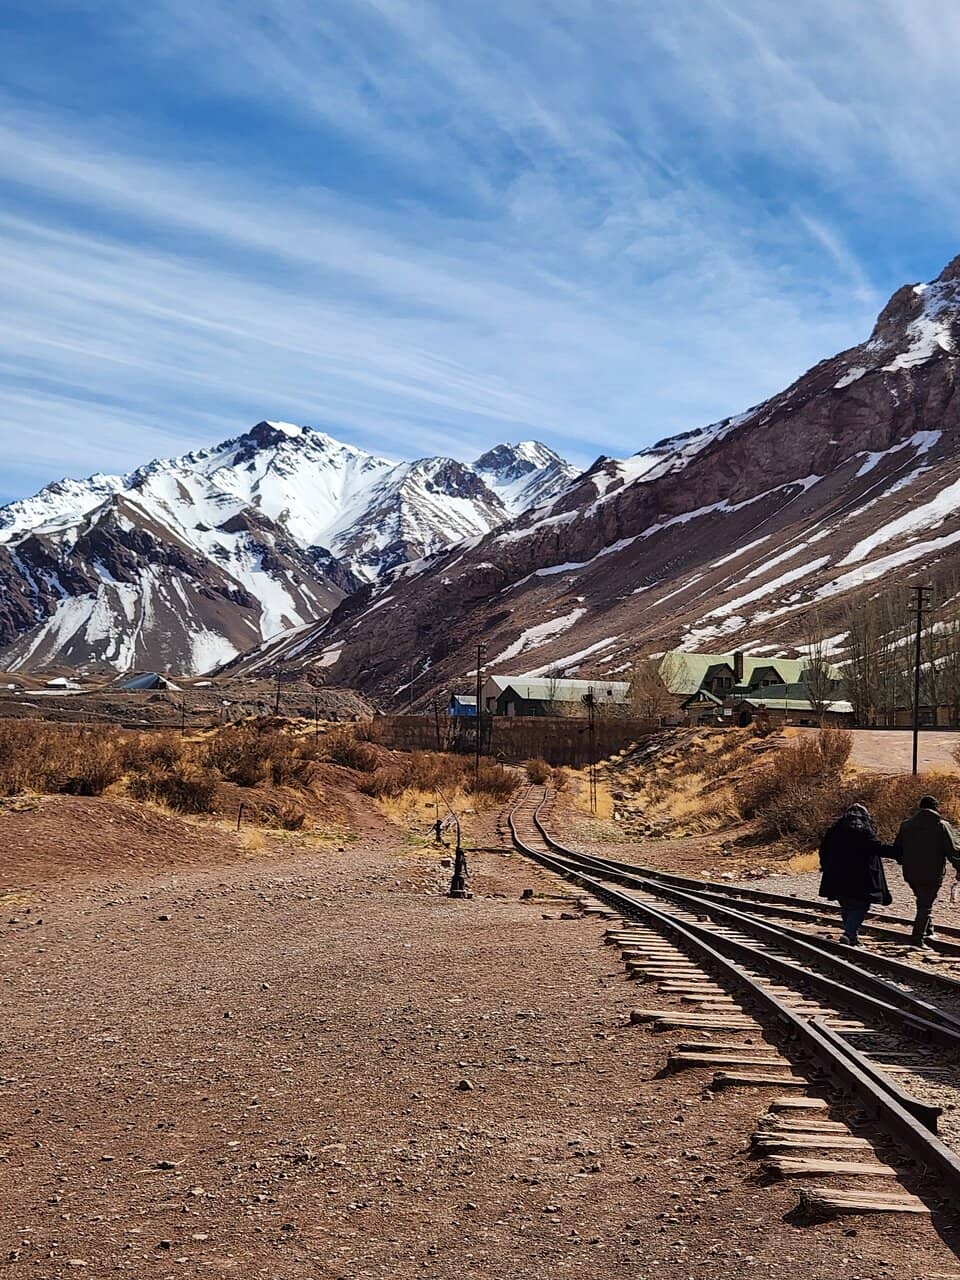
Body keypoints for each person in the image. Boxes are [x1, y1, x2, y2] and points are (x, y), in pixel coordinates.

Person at [818, 803, 895, 946]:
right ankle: (849, 933)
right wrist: (898, 852)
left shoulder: (833, 831)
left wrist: (825, 866)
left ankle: (851, 936)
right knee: (861, 906)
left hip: (836, 876)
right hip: (862, 878)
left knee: (846, 905)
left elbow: (823, 851)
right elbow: (877, 848)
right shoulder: (864, 831)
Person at [893, 795, 960, 948]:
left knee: (922, 900)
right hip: (932, 872)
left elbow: (897, 850)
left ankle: (928, 930)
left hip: (910, 873)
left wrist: (904, 862)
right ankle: (918, 938)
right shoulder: (941, 825)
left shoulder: (906, 825)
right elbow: (953, 851)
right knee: (925, 904)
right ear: (936, 807)